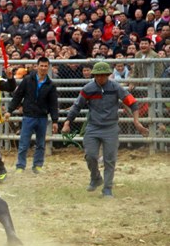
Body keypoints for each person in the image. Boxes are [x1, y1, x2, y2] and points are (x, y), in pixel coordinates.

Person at [61, 62, 148, 198]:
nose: (101, 78)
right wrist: (67, 123)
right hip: (93, 127)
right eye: (98, 76)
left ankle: (107, 188)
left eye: (103, 75)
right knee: (90, 155)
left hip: (111, 127)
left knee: (109, 159)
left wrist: (136, 121)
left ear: (108, 75)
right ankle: (95, 178)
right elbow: (76, 106)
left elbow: (132, 102)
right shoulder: (88, 89)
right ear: (94, 75)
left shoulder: (115, 87)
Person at [4, 57, 59, 173]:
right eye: (41, 65)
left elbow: (54, 104)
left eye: (45, 66)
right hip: (28, 116)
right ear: (37, 66)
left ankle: (38, 165)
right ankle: (20, 166)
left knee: (40, 143)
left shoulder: (51, 85)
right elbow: (18, 95)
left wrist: (55, 120)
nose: (43, 68)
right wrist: (10, 110)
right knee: (24, 143)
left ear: (48, 67)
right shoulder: (28, 80)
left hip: (42, 117)